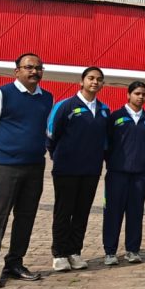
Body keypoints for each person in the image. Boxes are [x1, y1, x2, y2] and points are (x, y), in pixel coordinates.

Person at [0, 53, 54, 288]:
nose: (34, 71)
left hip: (34, 166)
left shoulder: (46, 98)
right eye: (29, 67)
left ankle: (14, 263)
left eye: (38, 68)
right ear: (16, 71)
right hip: (4, 166)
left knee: (26, 217)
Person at [46, 67, 110, 272]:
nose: (95, 82)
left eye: (99, 79)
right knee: (64, 211)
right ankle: (59, 254)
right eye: (91, 78)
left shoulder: (104, 110)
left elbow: (105, 140)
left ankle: (74, 252)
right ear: (82, 81)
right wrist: (59, 156)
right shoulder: (65, 106)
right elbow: (51, 134)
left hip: (91, 170)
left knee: (82, 212)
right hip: (67, 169)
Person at [102, 81, 145, 265]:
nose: (140, 97)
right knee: (113, 213)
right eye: (137, 93)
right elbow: (106, 144)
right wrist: (113, 163)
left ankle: (132, 250)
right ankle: (110, 252)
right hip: (116, 174)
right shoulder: (115, 117)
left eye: (143, 94)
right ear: (128, 95)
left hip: (139, 175)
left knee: (135, 213)